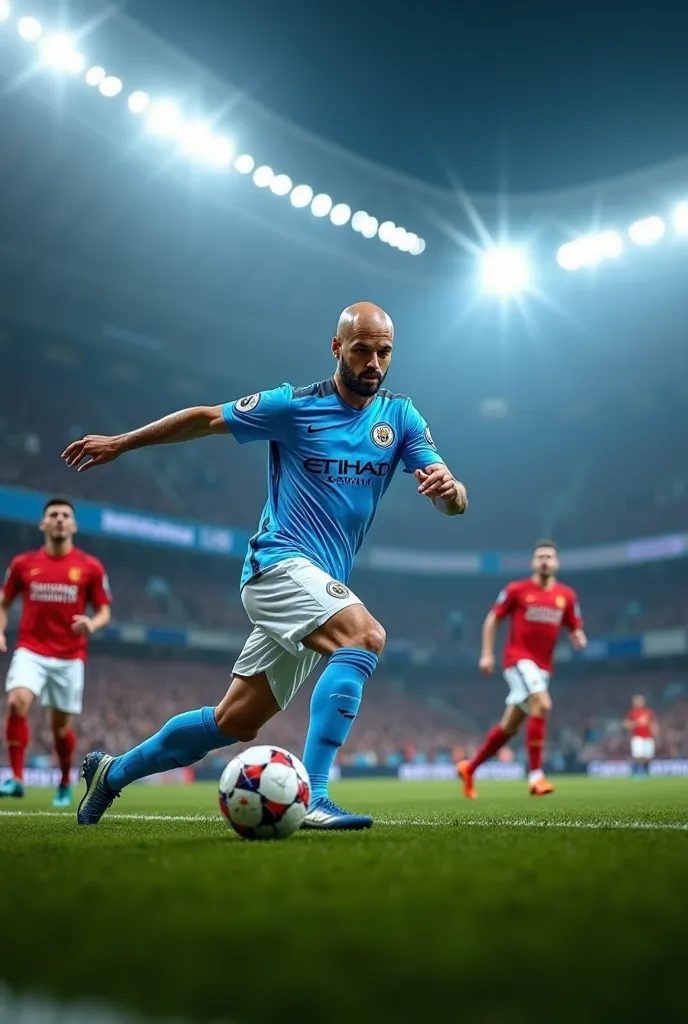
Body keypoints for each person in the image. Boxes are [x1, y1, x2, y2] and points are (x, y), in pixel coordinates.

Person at [62, 302, 467, 829]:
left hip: (322, 583)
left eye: (384, 351)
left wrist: (449, 490)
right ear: (337, 347)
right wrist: (122, 442)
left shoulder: (401, 417)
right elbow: (206, 417)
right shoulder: (292, 406)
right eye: (363, 349)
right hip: (276, 566)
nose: (373, 362)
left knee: (234, 721)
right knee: (363, 636)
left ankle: (111, 774)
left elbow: (452, 498)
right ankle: (317, 794)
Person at [0, 498, 112, 807]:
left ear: (74, 525)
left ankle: (64, 781)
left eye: (66, 515)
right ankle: (17, 779)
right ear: (43, 524)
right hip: (31, 649)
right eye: (54, 515)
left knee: (60, 728)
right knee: (16, 702)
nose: (60, 519)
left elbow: (104, 611)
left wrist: (92, 624)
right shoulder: (23, 564)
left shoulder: (89, 566)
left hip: (70, 656)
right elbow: (4, 601)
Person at [457, 540, 586, 798]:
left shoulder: (567, 596)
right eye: (540, 557)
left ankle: (470, 768)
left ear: (557, 562)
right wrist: (486, 653)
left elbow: (575, 625)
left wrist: (578, 636)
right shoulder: (517, 590)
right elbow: (493, 618)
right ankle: (536, 777)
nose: (545, 561)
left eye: (550, 556)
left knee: (509, 727)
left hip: (543, 668)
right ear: (533, 563)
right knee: (543, 704)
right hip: (518, 660)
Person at [624, 694, 658, 779]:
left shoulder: (648, 712)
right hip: (638, 737)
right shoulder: (632, 713)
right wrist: (635, 724)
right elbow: (626, 724)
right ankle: (638, 772)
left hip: (648, 737)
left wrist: (655, 732)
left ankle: (646, 771)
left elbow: (653, 723)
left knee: (648, 756)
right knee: (638, 756)